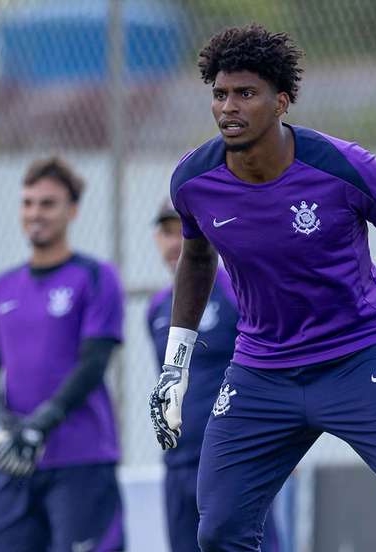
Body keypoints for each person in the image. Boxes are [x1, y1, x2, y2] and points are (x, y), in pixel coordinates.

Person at [149, 24, 376, 552]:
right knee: (218, 532)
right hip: (261, 375)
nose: (229, 107)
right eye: (219, 94)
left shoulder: (344, 166)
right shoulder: (193, 181)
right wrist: (176, 366)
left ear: (281, 101)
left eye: (246, 93)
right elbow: (196, 259)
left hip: (360, 361)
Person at [0, 157, 125, 552]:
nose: (35, 213)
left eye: (47, 203)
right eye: (28, 203)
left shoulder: (95, 276)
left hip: (82, 461)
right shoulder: (1, 288)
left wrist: (43, 421)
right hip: (17, 462)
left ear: (72, 210)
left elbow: (94, 362)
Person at [147, 200, 281, 552]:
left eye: (181, 229)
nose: (175, 241)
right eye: (165, 231)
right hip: (180, 465)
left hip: (238, 460)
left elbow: (274, 364)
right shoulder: (157, 309)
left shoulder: (238, 291)